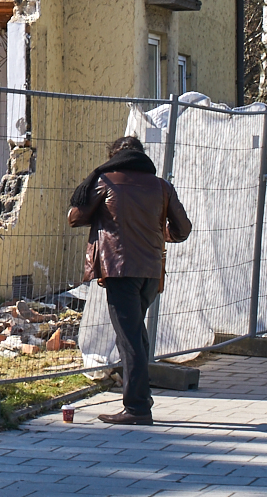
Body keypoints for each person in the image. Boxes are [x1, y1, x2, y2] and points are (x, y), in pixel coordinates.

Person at [67, 135, 192, 425]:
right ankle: (142, 398)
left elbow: (75, 217)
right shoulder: (161, 186)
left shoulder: (106, 181)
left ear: (113, 157)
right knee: (137, 333)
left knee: (129, 338)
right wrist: (160, 234)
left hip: (120, 270)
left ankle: (136, 408)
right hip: (151, 271)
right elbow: (183, 229)